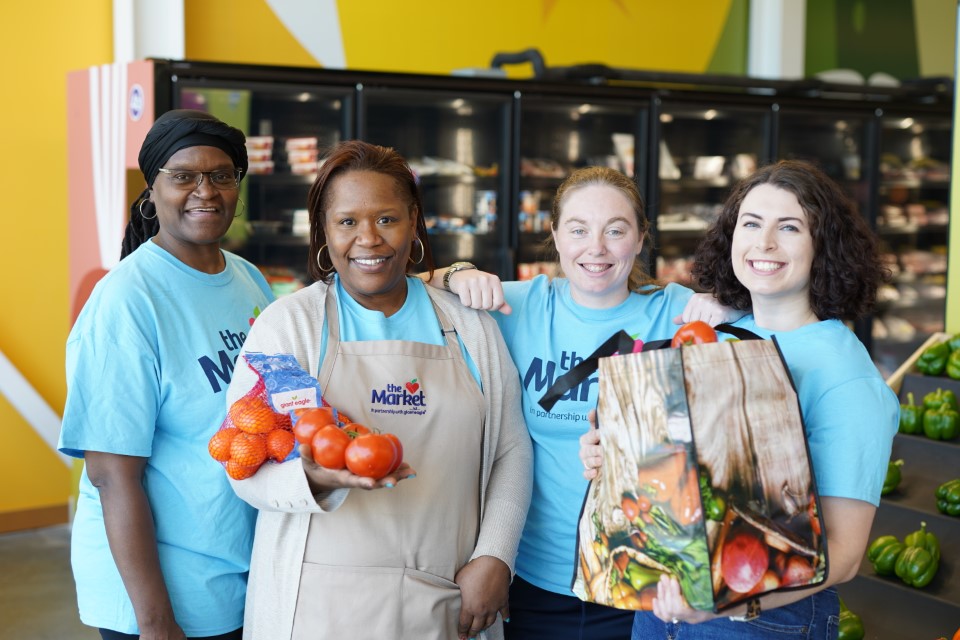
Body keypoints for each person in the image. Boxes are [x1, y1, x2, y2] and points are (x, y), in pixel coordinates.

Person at [225, 139, 533, 640]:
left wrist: (496, 556)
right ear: (324, 230)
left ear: (413, 222)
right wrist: (316, 479)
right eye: (347, 221)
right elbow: (244, 464)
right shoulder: (290, 327)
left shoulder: (469, 325)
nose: (368, 239)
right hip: (315, 608)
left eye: (386, 219)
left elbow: (511, 449)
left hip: (450, 595)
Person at [579, 159, 899, 637]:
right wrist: (616, 456)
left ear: (823, 245)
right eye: (751, 224)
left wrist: (724, 608)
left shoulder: (845, 374)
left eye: (789, 227)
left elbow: (846, 554)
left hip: (761, 620)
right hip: (665, 603)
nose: (764, 243)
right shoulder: (716, 335)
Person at [427, 166, 739, 640]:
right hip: (533, 578)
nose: (596, 248)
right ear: (554, 235)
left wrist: (729, 305)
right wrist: (456, 273)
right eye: (578, 230)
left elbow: (770, 329)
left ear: (639, 239)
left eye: (615, 230)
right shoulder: (522, 304)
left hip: (644, 581)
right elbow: (408, 285)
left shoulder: (675, 311)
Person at [59, 109, 276, 639]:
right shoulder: (128, 301)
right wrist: (155, 622)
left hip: (232, 565)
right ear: (151, 191)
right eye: (183, 176)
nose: (205, 190)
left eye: (221, 175)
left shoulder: (248, 279)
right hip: (162, 590)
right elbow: (112, 475)